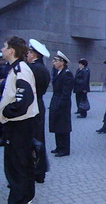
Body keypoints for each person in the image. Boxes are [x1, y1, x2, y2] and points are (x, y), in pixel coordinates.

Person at [0, 36, 39, 204]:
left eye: (4, 46)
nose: (2, 49)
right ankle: (25, 196)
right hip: (19, 124)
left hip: (19, 124)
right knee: (21, 163)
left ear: (11, 50)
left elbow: (25, 99)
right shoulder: (15, 68)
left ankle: (19, 199)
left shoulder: (20, 69)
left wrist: (6, 112)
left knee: (17, 165)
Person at [27, 39, 51, 183]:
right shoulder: (43, 69)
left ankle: (36, 171)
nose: (27, 55)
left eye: (29, 52)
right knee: (39, 139)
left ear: (35, 55)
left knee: (33, 140)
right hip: (39, 104)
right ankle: (40, 172)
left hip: (32, 106)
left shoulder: (33, 69)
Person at [49, 51, 74, 157]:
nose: (53, 62)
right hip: (56, 100)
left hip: (62, 102)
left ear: (62, 62)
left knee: (63, 126)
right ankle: (59, 146)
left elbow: (66, 92)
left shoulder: (67, 73)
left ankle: (64, 149)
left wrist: (60, 104)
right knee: (57, 124)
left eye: (56, 61)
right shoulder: (58, 72)